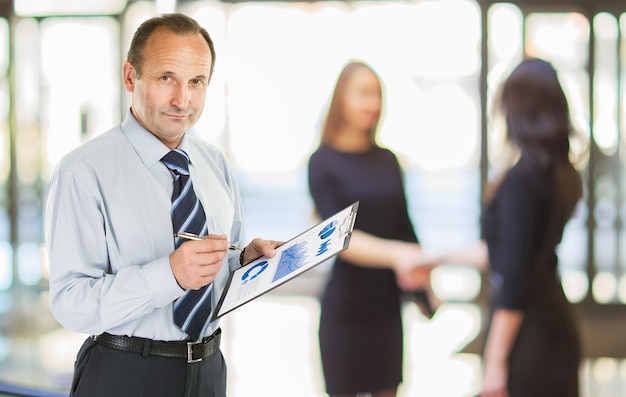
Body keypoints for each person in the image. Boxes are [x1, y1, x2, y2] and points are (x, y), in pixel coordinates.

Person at [44, 13, 279, 397]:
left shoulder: (214, 162)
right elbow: (71, 303)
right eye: (166, 78)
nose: (182, 100)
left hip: (209, 371)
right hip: (125, 374)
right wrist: (168, 275)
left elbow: (222, 265)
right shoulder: (82, 172)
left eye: (196, 82)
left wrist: (243, 263)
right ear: (130, 77)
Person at [401, 58, 583, 397]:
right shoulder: (562, 174)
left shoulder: (521, 183)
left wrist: (495, 364)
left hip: (528, 340)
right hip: (556, 326)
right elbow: (505, 252)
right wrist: (437, 258)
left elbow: (514, 279)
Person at [307, 61, 433, 397]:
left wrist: (424, 288)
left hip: (387, 310)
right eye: (363, 94)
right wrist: (399, 255)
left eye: (377, 95)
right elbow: (337, 237)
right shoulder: (322, 162)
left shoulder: (389, 160)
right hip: (345, 312)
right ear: (341, 99)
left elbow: (404, 227)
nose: (372, 104)